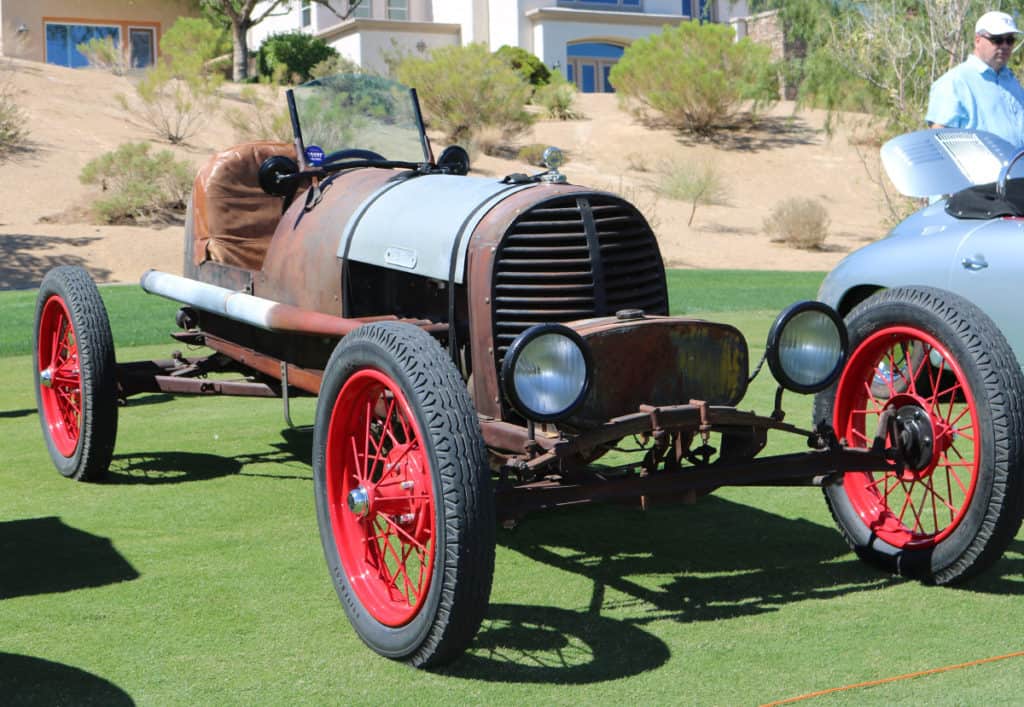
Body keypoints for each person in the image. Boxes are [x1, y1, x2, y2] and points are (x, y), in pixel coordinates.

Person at [926, 11, 1024, 147]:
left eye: (1010, 40)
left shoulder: (1010, 80)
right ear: (977, 40)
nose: (1005, 46)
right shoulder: (953, 82)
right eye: (997, 40)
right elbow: (940, 141)